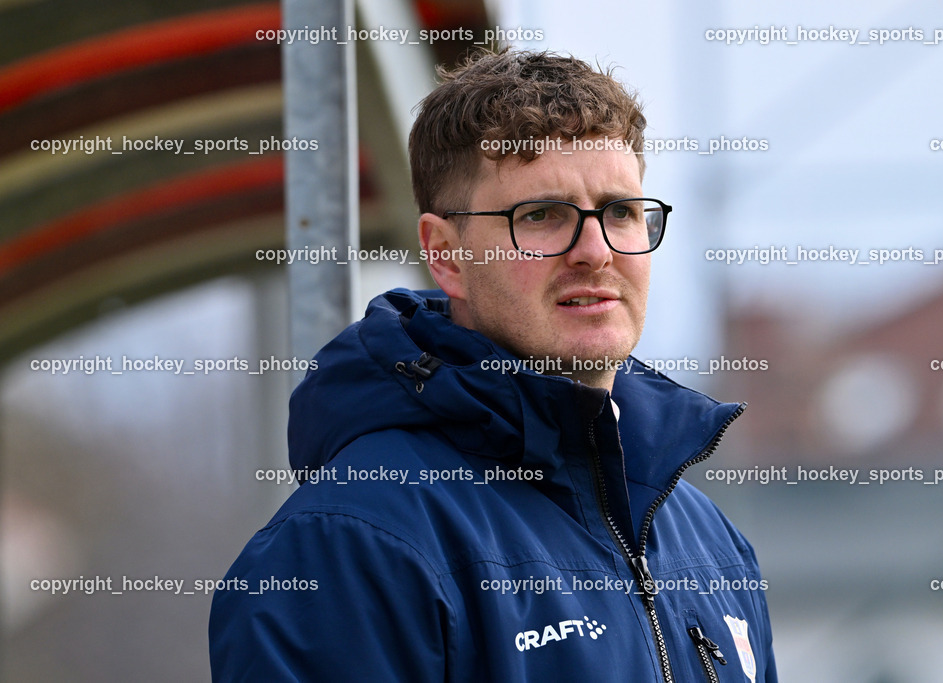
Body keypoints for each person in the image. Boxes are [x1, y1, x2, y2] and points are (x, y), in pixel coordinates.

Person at [209, 48, 777, 682]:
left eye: (619, 211)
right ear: (446, 255)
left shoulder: (708, 541)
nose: (595, 251)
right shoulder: (350, 545)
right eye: (541, 216)